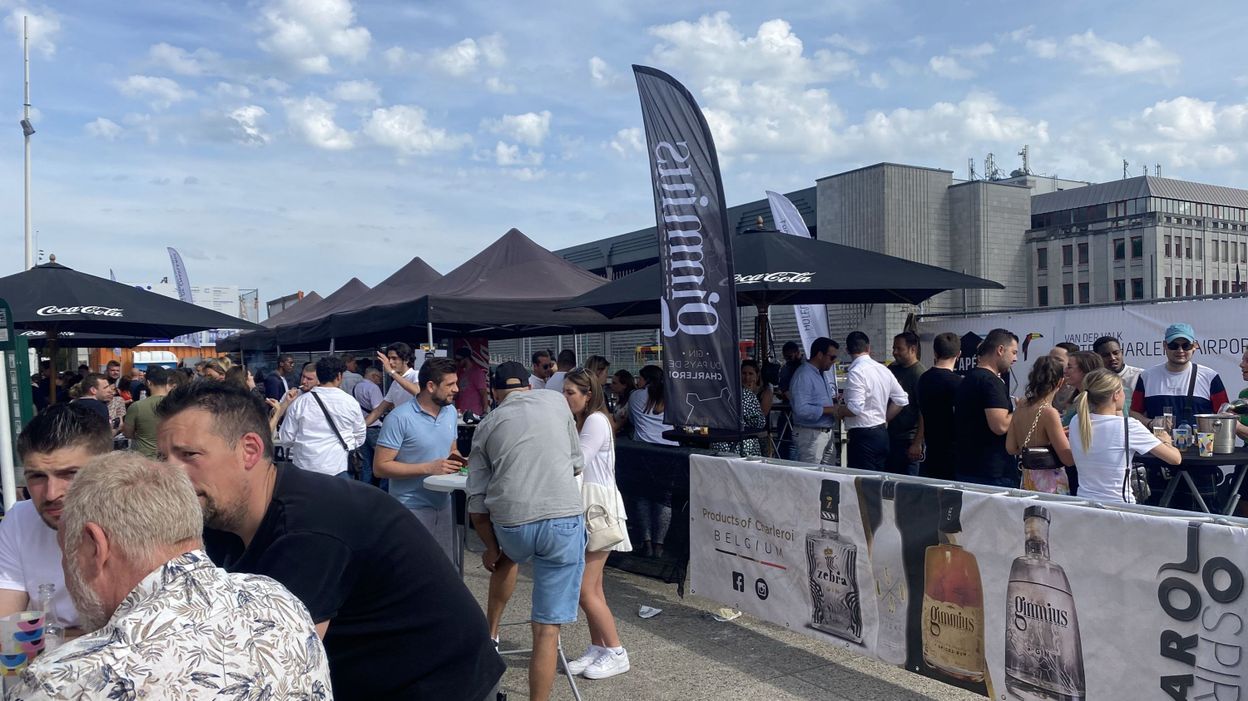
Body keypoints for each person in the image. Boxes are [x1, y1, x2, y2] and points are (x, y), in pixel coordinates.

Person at [155, 381, 504, 700]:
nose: (169, 473)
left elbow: (272, 673)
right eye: (162, 458)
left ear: (249, 450)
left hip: (441, 687)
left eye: (189, 455)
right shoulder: (224, 516)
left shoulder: (307, 529)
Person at [7, 452, 333, 699]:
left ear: (96, 547)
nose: (67, 568)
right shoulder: (276, 598)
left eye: (67, 552)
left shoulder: (66, 680)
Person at [466, 361, 586, 701]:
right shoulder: (556, 402)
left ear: (495, 393)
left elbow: (477, 504)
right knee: (547, 630)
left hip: (512, 526)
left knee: (505, 558)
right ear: (530, 388)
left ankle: (492, 632)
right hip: (563, 519)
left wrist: (490, 547)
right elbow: (577, 465)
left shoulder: (487, 424)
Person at [0, 404, 111, 634]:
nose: (51, 494)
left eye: (70, 474)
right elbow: (6, 629)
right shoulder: (19, 520)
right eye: (37, 477)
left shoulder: (145, 519)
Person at [561, 368, 632, 679]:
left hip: (597, 508)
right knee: (593, 587)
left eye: (570, 393)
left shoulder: (594, 421)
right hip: (591, 504)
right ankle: (598, 647)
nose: (565, 398)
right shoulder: (587, 420)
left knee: (583, 589)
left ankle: (616, 651)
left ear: (587, 394)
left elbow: (576, 464)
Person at [374, 357, 464, 563]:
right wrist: (429, 468)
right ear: (431, 386)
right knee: (412, 568)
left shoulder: (449, 412)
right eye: (450, 384)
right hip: (411, 507)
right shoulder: (399, 418)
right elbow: (380, 467)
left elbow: (452, 450)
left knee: (445, 569)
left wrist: (464, 461)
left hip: (444, 504)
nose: (457, 389)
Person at [1071, 368, 1181, 503]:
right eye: (1122, 390)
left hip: (1084, 501)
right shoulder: (1129, 427)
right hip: (1119, 505)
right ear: (1116, 395)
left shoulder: (1077, 420)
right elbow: (1175, 459)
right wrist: (1167, 441)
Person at [278, 355, 366, 478]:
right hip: (339, 467)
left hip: (305, 469)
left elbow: (285, 438)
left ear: (318, 376)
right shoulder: (351, 402)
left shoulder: (300, 403)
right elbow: (360, 436)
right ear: (339, 376)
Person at [834, 331, 909, 471]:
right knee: (878, 480)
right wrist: (885, 418)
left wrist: (840, 410)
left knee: (862, 483)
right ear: (868, 348)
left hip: (863, 436)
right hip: (881, 432)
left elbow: (855, 408)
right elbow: (901, 399)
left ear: (847, 350)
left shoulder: (856, 371)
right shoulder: (883, 369)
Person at [953, 328, 1019, 488]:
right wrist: (1021, 410)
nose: (1015, 359)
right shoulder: (990, 382)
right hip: (992, 473)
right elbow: (1000, 425)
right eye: (1014, 352)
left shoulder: (968, 379)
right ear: (1000, 350)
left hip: (969, 468)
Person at [1132, 323, 1230, 429]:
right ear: (1165, 345)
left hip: (1200, 444)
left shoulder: (1210, 377)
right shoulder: (1147, 376)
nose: (1180, 350)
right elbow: (1134, 413)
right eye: (1173, 345)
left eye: (1186, 345)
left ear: (1195, 346)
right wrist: (1150, 423)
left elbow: (1225, 415)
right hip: (1159, 444)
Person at [1006, 356, 1075, 494]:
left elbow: (1011, 448)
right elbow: (1068, 459)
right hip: (1050, 485)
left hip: (1027, 480)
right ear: (1060, 382)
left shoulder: (1021, 406)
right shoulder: (1049, 413)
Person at [912, 332, 962, 480]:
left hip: (931, 450)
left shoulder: (923, 379)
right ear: (959, 354)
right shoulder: (958, 383)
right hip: (954, 454)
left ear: (935, 352)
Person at [789, 337, 841, 465]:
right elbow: (801, 409)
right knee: (809, 478)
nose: (833, 362)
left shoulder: (820, 374)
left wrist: (834, 402)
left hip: (825, 433)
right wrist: (831, 409)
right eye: (832, 357)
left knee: (827, 477)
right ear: (819, 355)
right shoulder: (804, 375)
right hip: (810, 435)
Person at [886, 331, 925, 475]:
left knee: (908, 488)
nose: (895, 352)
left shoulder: (919, 374)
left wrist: (917, 442)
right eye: (893, 348)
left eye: (899, 349)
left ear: (912, 349)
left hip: (908, 440)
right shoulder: (892, 369)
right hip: (890, 437)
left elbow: (923, 412)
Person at [122, 365, 176, 459]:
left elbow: (127, 433)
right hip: (170, 457)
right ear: (167, 382)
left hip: (144, 458)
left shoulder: (137, 406)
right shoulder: (178, 405)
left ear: (148, 383)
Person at [363, 342, 420, 425]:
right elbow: (379, 410)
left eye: (394, 358)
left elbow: (417, 392)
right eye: (389, 358)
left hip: (416, 426)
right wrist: (361, 427)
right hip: (402, 427)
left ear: (406, 360)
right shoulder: (395, 383)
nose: (390, 362)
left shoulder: (416, 374)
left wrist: (391, 372)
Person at [353, 366, 387, 488]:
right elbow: (378, 409)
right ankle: (383, 491)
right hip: (374, 427)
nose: (380, 380)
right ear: (373, 376)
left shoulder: (357, 387)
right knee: (383, 461)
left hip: (362, 427)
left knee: (366, 464)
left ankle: (365, 489)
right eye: (378, 377)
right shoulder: (373, 388)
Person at [1060, 351, 1106, 426]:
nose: (1065, 371)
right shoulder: (1075, 399)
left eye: (1069, 367)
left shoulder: (1098, 402)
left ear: (1085, 370)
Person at [454, 346, 490, 417]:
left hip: (474, 413)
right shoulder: (461, 374)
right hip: (462, 413)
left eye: (459, 360)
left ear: (466, 359)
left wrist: (485, 412)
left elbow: (484, 394)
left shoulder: (477, 373)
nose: (457, 362)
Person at [1049, 342, 1081, 412]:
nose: (1050, 363)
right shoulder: (1043, 387)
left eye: (1057, 360)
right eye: (1049, 358)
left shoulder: (1080, 390)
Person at [610, 369, 635, 435]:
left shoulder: (630, 402)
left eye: (614, 383)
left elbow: (620, 424)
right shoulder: (621, 400)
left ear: (624, 385)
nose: (611, 386)